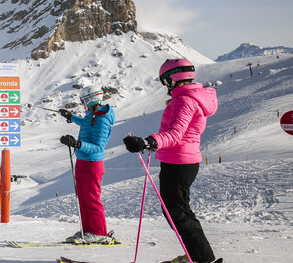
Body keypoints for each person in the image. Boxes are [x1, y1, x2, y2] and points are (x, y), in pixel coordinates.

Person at [123, 59, 221, 263]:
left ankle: (202, 259)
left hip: (179, 162)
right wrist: (149, 142)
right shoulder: (187, 98)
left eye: (165, 80)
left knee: (178, 213)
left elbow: (175, 134)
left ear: (173, 78)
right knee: (178, 211)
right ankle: (197, 256)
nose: (165, 85)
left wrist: (147, 142)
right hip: (180, 160)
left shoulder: (184, 100)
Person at [58, 86, 115, 244]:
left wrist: (77, 144)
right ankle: (87, 230)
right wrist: (70, 117)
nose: (82, 104)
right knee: (82, 198)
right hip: (82, 161)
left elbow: (98, 147)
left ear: (91, 100)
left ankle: (99, 232)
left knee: (92, 199)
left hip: (92, 164)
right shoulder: (93, 115)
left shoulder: (102, 120)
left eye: (83, 101)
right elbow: (85, 122)